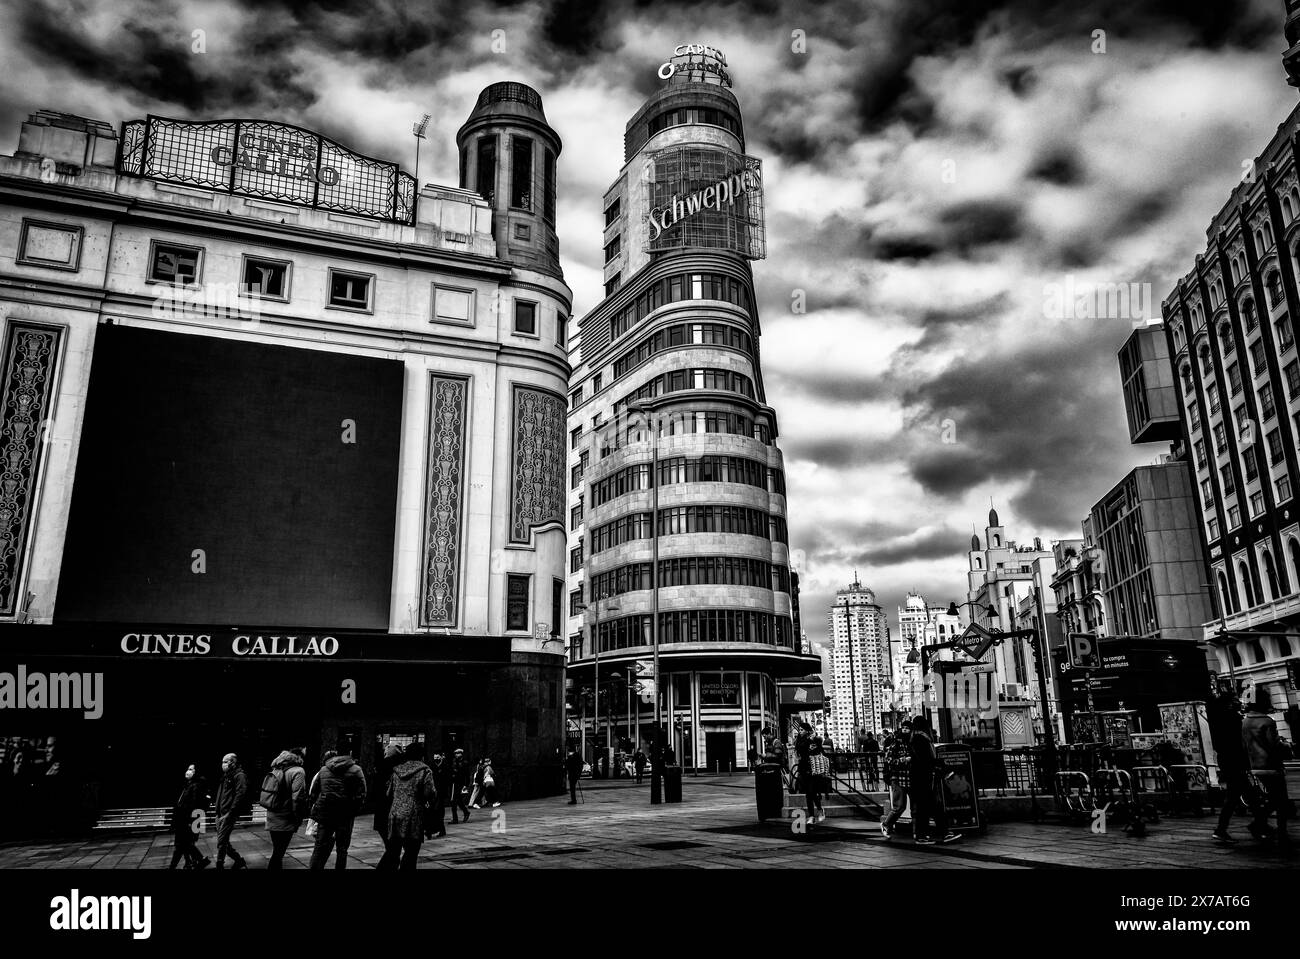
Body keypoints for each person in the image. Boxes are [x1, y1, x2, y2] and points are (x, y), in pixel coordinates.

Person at [1242, 689, 1291, 844]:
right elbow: (1274, 745)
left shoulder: (1245, 721)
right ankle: (1281, 831)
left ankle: (1259, 823)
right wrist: (1287, 745)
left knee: (1273, 799)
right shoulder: (1267, 721)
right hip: (1271, 766)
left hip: (1255, 765)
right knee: (1281, 800)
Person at [379, 742, 436, 871]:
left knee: (393, 850)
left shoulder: (397, 770)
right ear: (421, 756)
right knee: (411, 851)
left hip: (395, 815)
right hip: (413, 816)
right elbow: (430, 793)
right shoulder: (424, 770)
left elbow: (389, 792)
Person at [308, 748, 367, 869]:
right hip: (345, 814)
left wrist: (316, 805)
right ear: (349, 754)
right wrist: (355, 809)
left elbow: (314, 792)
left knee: (320, 846)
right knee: (342, 849)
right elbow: (362, 793)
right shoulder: (356, 770)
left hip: (325, 813)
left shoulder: (324, 769)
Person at [908, 717, 959, 845]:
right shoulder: (921, 739)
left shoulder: (916, 737)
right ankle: (935, 834)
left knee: (927, 807)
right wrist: (937, 765)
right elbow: (925, 759)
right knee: (929, 807)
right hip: (924, 778)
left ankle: (938, 833)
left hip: (921, 777)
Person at [264, 749, 308, 870]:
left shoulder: (276, 769)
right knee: (278, 853)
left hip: (272, 814)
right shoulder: (298, 771)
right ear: (298, 757)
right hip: (286, 817)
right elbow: (297, 798)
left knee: (277, 851)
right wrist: (298, 818)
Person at [169, 762, 210, 869]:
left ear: (196, 772)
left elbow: (194, 805)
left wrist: (190, 822)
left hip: (188, 821)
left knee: (182, 845)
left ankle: (197, 861)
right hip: (184, 821)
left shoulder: (195, 786)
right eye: (188, 769)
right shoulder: (189, 784)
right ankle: (194, 862)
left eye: (191, 769)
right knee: (185, 845)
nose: (188, 771)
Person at [213, 752, 248, 870]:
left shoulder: (239, 775)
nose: (222, 764)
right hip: (220, 814)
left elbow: (240, 795)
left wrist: (230, 813)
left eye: (225, 762)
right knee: (224, 842)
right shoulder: (226, 775)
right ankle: (239, 860)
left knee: (221, 841)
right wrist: (217, 812)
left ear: (232, 762)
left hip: (228, 814)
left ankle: (219, 864)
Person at [880, 720, 911, 839]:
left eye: (907, 728)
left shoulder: (912, 743)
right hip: (898, 778)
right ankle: (886, 824)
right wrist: (903, 760)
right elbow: (888, 760)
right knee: (899, 806)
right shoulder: (895, 744)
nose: (905, 730)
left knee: (914, 806)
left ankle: (918, 832)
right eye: (903, 728)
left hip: (911, 777)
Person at [373, 743, 402, 840]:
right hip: (397, 809)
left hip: (382, 808)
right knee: (395, 845)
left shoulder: (381, 766)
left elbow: (375, 789)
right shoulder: (402, 767)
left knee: (389, 845)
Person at [428, 749, 450, 838]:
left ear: (441, 757)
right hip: (434, 791)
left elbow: (447, 779)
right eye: (435, 757)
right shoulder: (432, 765)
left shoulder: (445, 766)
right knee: (436, 811)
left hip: (441, 791)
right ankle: (440, 829)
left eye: (437, 757)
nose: (436, 759)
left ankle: (439, 830)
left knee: (439, 810)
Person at [450, 748, 472, 823]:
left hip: (460, 783)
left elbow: (467, 775)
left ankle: (455, 819)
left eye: (458, 753)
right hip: (454, 783)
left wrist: (466, 785)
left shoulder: (464, 762)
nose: (456, 755)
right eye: (455, 753)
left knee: (454, 801)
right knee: (458, 801)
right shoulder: (454, 761)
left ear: (461, 754)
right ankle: (466, 812)